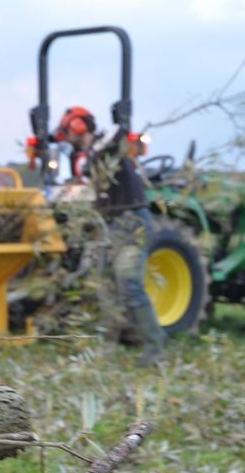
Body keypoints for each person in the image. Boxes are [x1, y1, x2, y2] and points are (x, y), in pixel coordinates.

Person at [55, 106, 166, 366]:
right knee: (104, 285)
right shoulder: (88, 157)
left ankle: (155, 350)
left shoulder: (110, 145)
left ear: (79, 127)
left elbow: (119, 133)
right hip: (112, 225)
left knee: (130, 287)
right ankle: (107, 346)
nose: (67, 138)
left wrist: (94, 152)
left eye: (68, 131)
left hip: (132, 222)